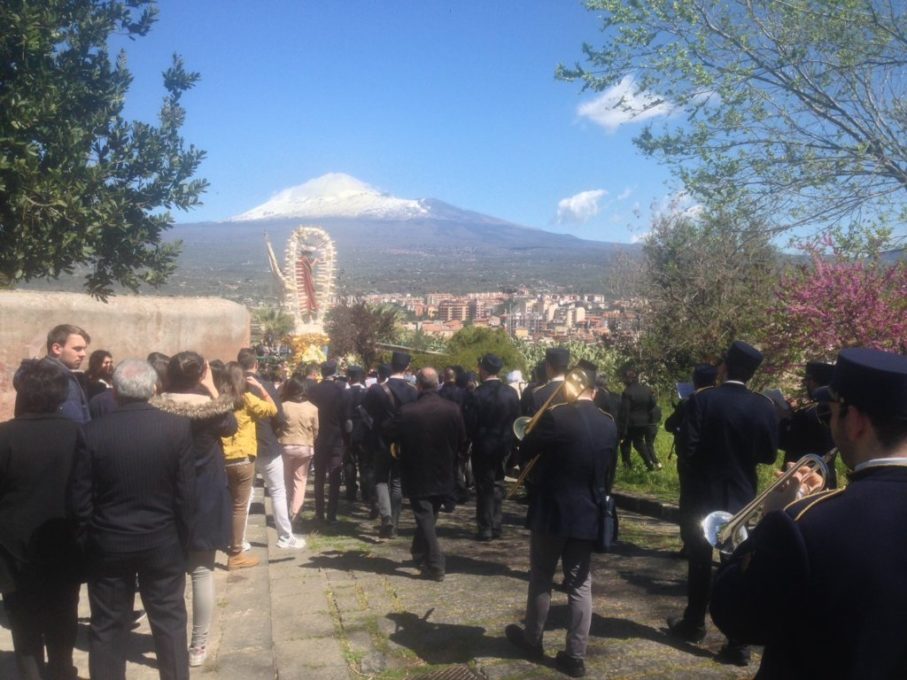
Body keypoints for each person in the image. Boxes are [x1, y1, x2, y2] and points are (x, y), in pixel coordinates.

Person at [710, 347, 907, 678]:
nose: (828, 422)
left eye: (829, 411)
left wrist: (772, 520)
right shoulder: (817, 516)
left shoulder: (803, 524)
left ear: (856, 420)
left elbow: (736, 615)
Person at [70, 359, 196, 680]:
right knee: (169, 621)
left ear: (114, 392)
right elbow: (186, 495)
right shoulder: (176, 428)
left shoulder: (92, 432)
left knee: (108, 624)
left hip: (108, 542)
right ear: (154, 389)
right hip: (162, 539)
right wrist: (185, 540)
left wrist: (86, 540)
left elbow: (80, 499)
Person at [667, 340, 778, 667]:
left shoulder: (704, 400)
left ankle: (693, 623)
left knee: (699, 561)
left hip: (702, 493)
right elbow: (768, 454)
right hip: (741, 495)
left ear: (724, 367)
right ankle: (737, 641)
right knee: (737, 566)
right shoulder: (763, 406)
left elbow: (687, 449)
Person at [505, 360, 617, 679]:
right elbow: (609, 472)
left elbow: (525, 448)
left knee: (541, 576)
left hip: (552, 510)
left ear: (571, 388)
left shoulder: (556, 417)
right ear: (594, 393)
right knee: (581, 585)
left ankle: (532, 640)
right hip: (588, 512)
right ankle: (575, 656)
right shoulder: (608, 423)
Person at [1, 361, 84, 680]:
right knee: (64, 615)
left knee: (24, 626)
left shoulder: (5, 436)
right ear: (61, 394)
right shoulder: (76, 433)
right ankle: (63, 670)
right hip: (65, 541)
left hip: (14, 548)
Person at [152, 351, 236, 667]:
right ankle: (198, 645)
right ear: (201, 373)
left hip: (167, 492)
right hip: (205, 494)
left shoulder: (159, 407)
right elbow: (231, 425)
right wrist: (213, 388)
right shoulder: (212, 411)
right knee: (202, 573)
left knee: (168, 575)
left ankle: (169, 639)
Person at [384, 368, 465, 582]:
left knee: (425, 515)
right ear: (437, 384)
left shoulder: (407, 411)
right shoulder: (453, 409)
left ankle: (436, 562)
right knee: (429, 514)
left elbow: (390, 432)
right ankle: (419, 552)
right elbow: (462, 439)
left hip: (417, 469)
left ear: (418, 385)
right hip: (444, 469)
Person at [217, 361, 278, 566]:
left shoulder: (218, 400)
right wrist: (261, 388)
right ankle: (236, 552)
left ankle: (223, 541)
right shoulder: (247, 399)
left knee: (226, 502)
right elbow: (272, 409)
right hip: (243, 458)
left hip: (222, 458)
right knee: (239, 506)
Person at [237, 348, 296, 547]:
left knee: (244, 496)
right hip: (267, 444)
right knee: (278, 491)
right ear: (256, 365)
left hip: (243, 448)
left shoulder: (231, 386)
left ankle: (240, 539)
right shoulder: (266, 386)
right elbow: (279, 416)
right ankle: (285, 536)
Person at [663, 363, 717, 558]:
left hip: (690, 463)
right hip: (714, 463)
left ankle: (689, 544)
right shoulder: (718, 400)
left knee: (689, 504)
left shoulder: (690, 401)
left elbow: (670, 425)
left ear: (695, 381)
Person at [464, 353, 520, 541]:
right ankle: (496, 523)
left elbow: (470, 423)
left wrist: (469, 441)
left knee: (483, 486)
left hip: (483, 445)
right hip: (504, 444)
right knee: (497, 482)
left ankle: (485, 526)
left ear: (484, 369)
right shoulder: (510, 394)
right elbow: (516, 421)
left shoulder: (477, 395)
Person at [363, 352, 418, 538]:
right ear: (407, 367)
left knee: (380, 478)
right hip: (404, 441)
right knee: (397, 482)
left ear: (390, 365)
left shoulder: (377, 390)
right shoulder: (413, 391)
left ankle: (385, 516)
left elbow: (367, 411)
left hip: (381, 440)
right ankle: (394, 524)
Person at [14, 324, 91, 424]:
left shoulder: (33, 375)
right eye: (77, 349)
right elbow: (74, 423)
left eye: (84, 349)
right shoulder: (62, 380)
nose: (83, 354)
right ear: (57, 348)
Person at [778, 360, 837, 488]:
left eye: (807, 381)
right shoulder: (837, 411)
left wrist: (784, 418)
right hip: (827, 478)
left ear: (813, 382)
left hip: (800, 480)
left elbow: (784, 442)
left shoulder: (807, 413)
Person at [307, 360, 349, 524]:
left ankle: (319, 512)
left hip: (318, 437)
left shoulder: (313, 391)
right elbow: (345, 417)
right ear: (335, 372)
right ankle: (331, 513)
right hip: (336, 437)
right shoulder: (341, 391)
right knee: (334, 476)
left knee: (319, 476)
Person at [278, 376, 318, 524]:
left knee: (286, 480)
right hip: (305, 447)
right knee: (300, 481)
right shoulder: (313, 408)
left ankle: (285, 509)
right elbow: (316, 429)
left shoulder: (283, 406)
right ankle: (296, 513)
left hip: (286, 445)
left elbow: (278, 426)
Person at [618, 367, 662, 471]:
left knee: (625, 444)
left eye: (624, 378)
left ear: (628, 379)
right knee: (639, 443)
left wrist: (622, 430)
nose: (623, 381)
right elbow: (653, 404)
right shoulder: (646, 390)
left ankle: (627, 465)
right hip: (645, 422)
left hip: (631, 424)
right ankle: (649, 462)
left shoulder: (627, 392)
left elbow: (625, 412)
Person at [343, 366, 369, 503]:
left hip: (348, 434)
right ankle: (366, 492)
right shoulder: (367, 393)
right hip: (364, 433)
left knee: (349, 462)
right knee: (364, 464)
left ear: (349, 378)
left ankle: (351, 492)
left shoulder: (344, 393)